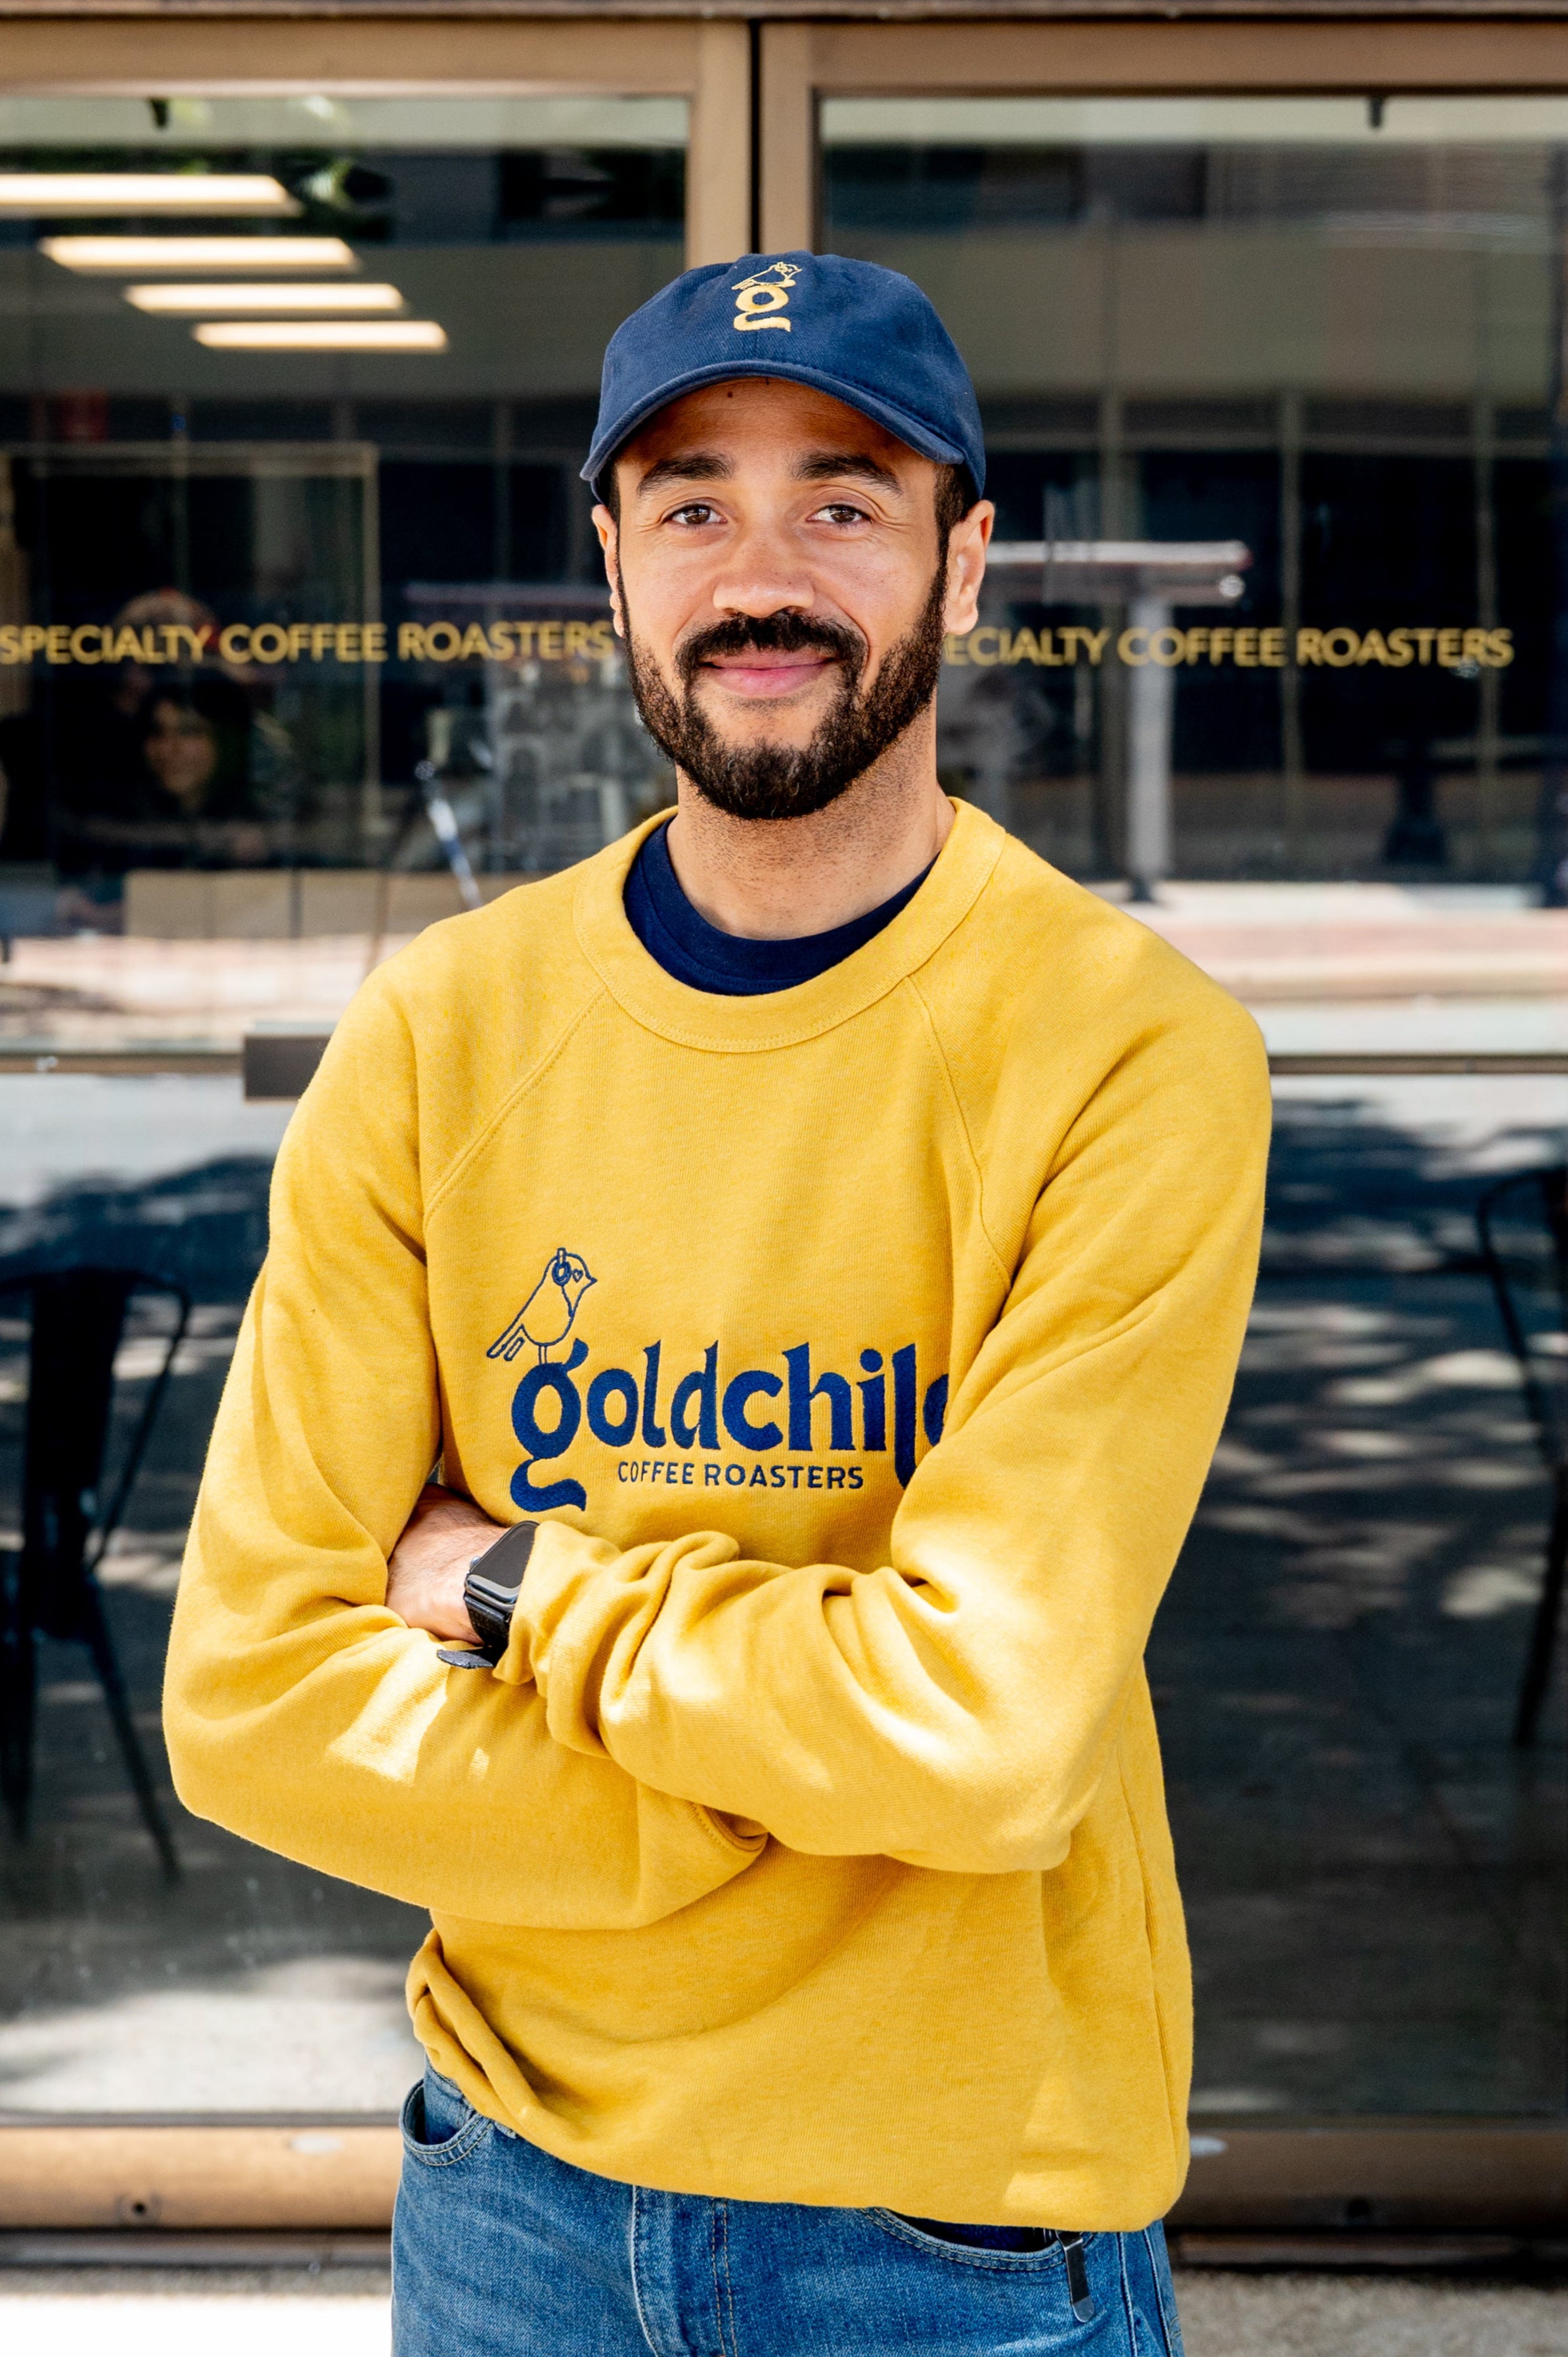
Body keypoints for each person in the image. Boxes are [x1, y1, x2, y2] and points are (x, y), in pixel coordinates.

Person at [164, 252, 1271, 2356]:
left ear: (962, 565)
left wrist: (510, 1591)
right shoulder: (438, 1037)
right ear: (610, 565)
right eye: (690, 503)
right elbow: (246, 1698)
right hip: (510, 2200)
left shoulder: (1122, 1051)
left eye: (843, 500)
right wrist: (798, 1802)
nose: (760, 573)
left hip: (953, 2232)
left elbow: (981, 1732)